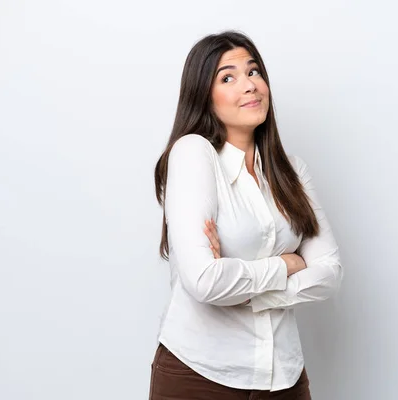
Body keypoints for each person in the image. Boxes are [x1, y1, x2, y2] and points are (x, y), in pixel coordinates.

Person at [150, 31, 344, 400]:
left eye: (254, 72)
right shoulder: (194, 154)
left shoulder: (292, 171)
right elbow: (205, 280)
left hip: (283, 376)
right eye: (228, 77)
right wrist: (287, 264)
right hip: (200, 375)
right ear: (204, 97)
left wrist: (250, 293)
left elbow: (330, 273)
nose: (249, 86)